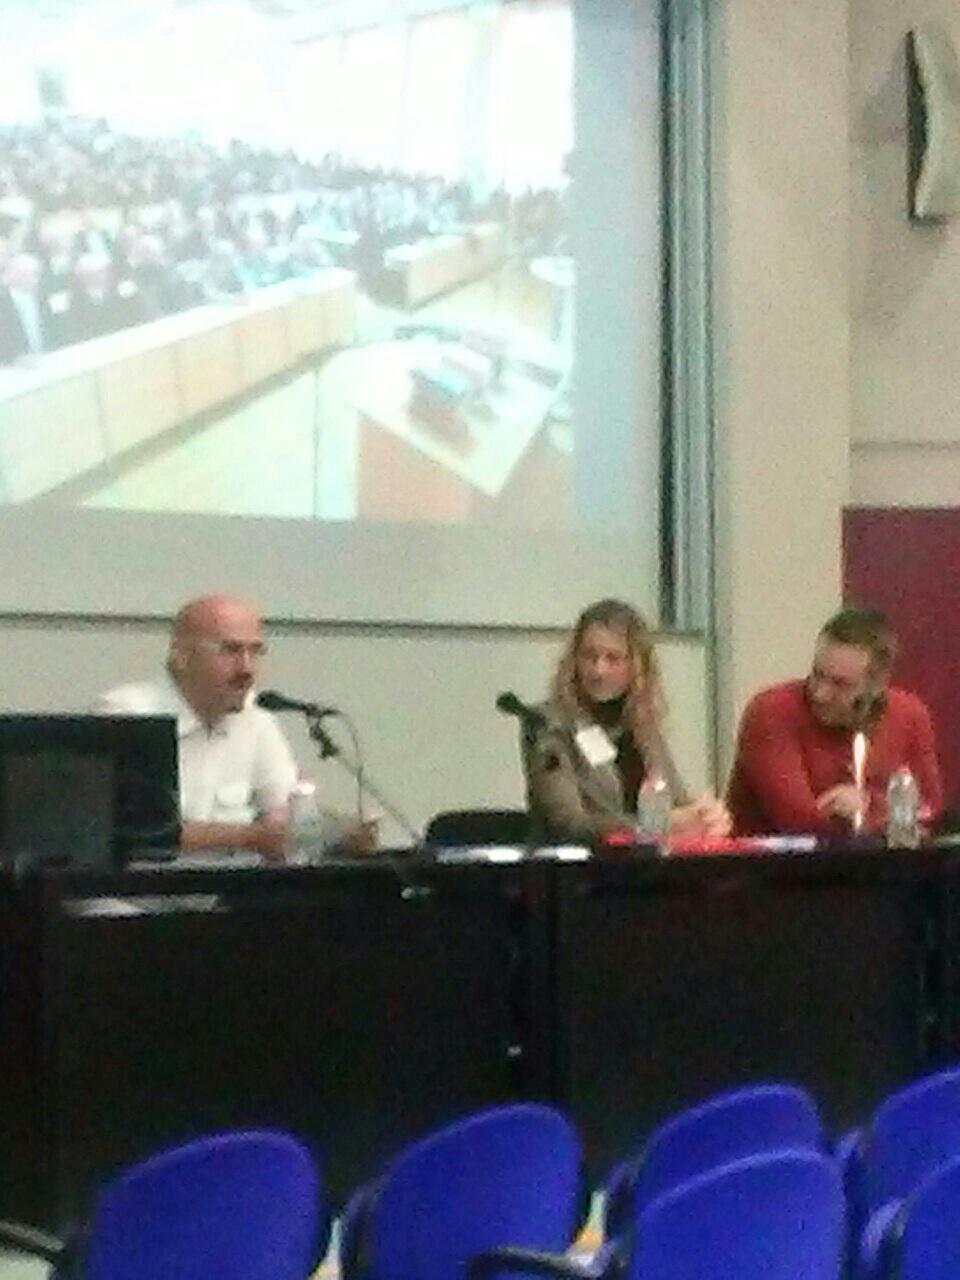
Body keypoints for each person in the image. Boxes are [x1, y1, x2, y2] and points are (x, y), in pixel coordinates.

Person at [95, 594, 373, 861]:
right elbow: (135, 832)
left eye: (255, 651)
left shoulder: (257, 720)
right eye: (230, 650)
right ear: (181, 656)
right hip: (142, 890)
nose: (247, 669)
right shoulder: (127, 715)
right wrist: (249, 837)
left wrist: (340, 834)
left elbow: (281, 820)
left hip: (233, 887)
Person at [522, 598, 730, 842]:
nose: (599, 670)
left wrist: (704, 817)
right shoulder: (547, 724)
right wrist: (657, 826)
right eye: (589, 656)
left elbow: (676, 803)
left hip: (643, 861)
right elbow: (569, 824)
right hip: (582, 862)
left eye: (613, 658)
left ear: (636, 666)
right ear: (574, 662)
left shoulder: (642, 725)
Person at [726, 606, 943, 836]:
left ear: (877, 684)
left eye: (840, 684)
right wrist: (887, 811)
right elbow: (797, 820)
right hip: (777, 855)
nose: (820, 693)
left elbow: (929, 810)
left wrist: (867, 804)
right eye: (817, 674)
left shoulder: (909, 715)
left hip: (878, 856)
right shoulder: (772, 711)